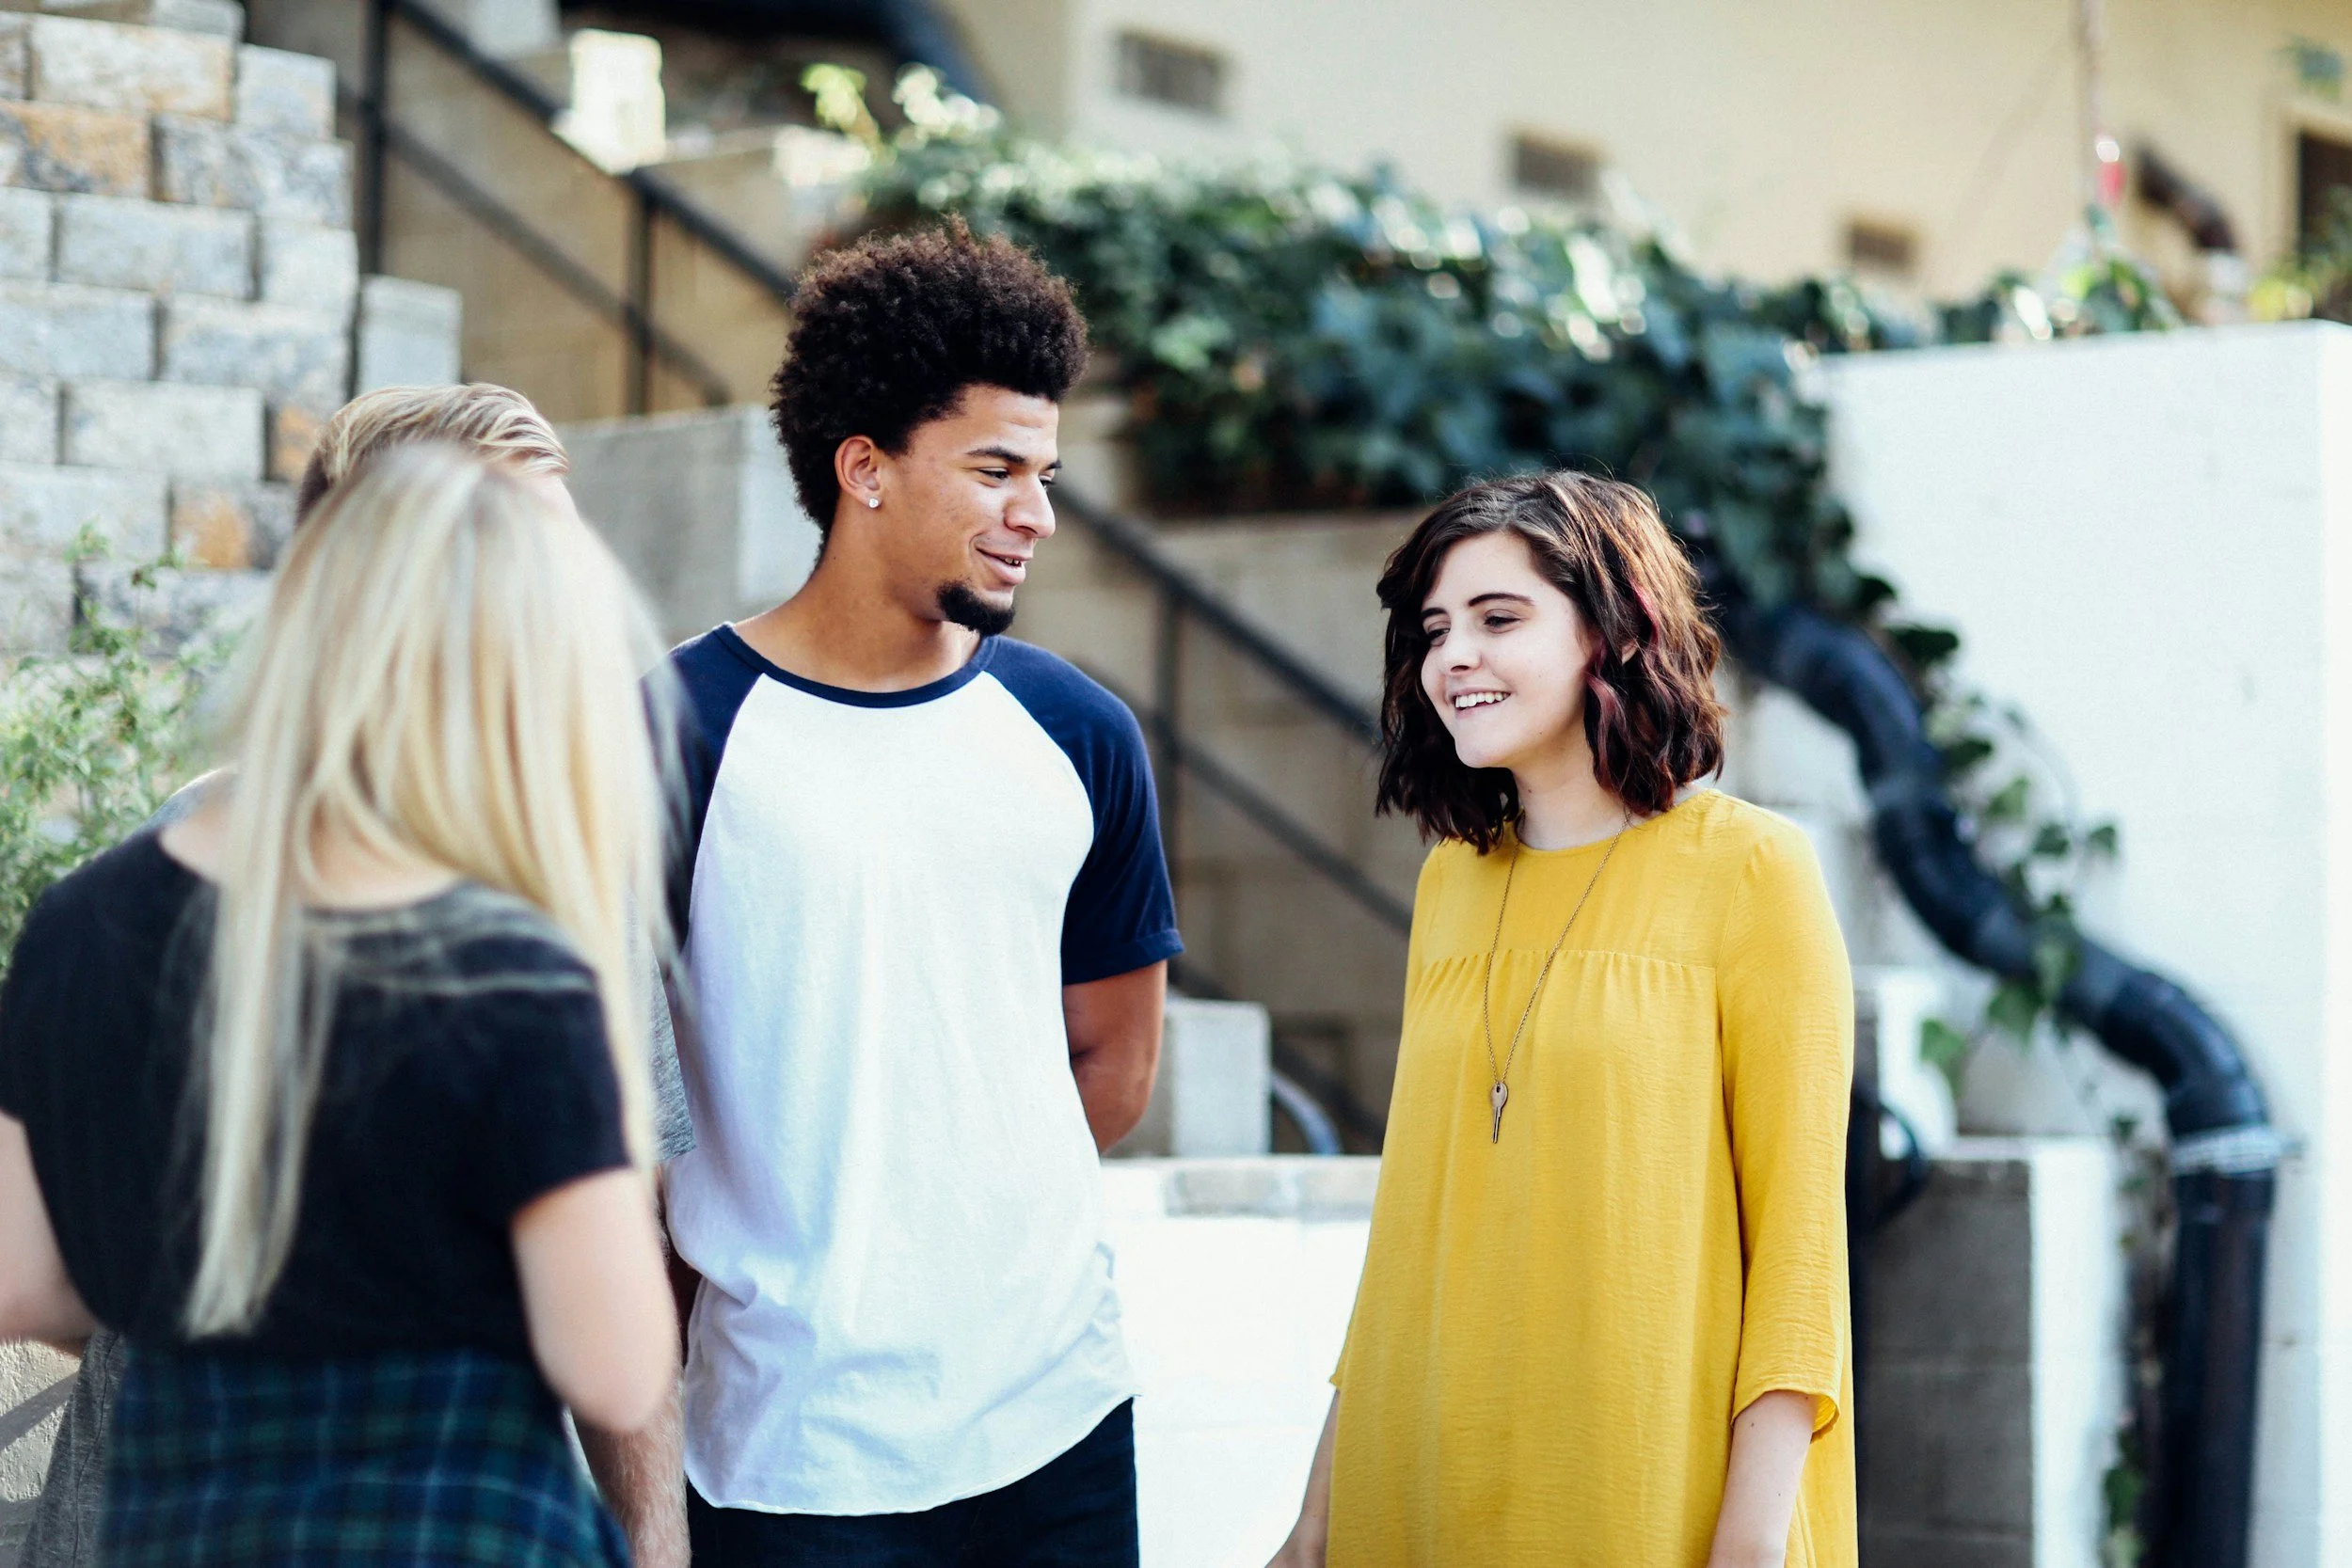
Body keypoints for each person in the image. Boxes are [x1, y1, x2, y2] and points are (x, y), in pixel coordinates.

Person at [16, 381, 696, 1568]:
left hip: (165, 1523)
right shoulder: (545, 918)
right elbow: (619, 1349)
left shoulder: (107, 905)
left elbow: (32, 1285)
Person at [620, 221, 1182, 1565]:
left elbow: (1113, 1062)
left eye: (1043, 473)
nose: (1035, 513)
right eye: (995, 469)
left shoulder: (1079, 731)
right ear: (862, 467)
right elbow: (611, 1097)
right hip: (785, 1442)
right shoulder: (677, 727)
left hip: (1054, 1412)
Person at [1269, 472, 1856, 1567]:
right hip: (1422, 1479)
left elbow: (1799, 1256)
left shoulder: (1753, 873)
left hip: (1640, 1489)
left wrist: (1751, 1540)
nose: (1453, 657)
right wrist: (1315, 1522)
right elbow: (1409, 1229)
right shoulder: (1449, 881)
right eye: (1435, 628)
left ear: (1615, 635)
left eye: (1500, 618)